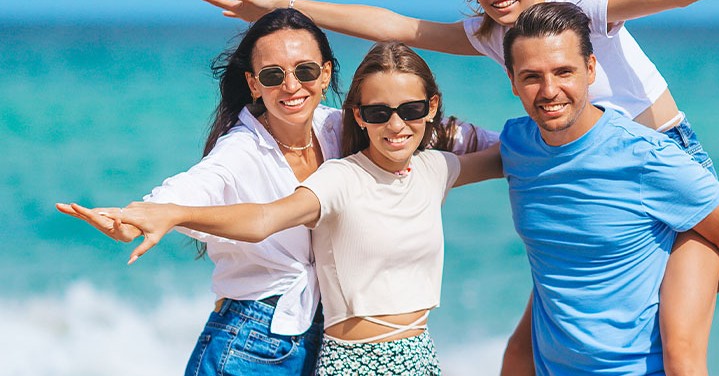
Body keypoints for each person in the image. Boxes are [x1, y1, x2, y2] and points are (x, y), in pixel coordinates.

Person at [196, 0, 719, 374]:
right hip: (573, 177)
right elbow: (395, 26)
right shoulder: (488, 36)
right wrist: (288, 7)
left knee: (680, 350)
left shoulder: (574, 12)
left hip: (664, 163)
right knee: (523, 352)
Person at [60, 41, 503, 375]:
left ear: (432, 108)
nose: (396, 124)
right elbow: (263, 218)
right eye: (378, 111)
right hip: (352, 363)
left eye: (411, 109)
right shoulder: (340, 178)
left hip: (421, 358)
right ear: (357, 114)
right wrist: (170, 213)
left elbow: (520, 156)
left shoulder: (436, 169)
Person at [499, 1, 719, 375]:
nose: (550, 90)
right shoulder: (517, 144)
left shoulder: (646, 157)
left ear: (591, 69)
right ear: (512, 80)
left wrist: (669, 309)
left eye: (564, 72)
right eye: (532, 76)